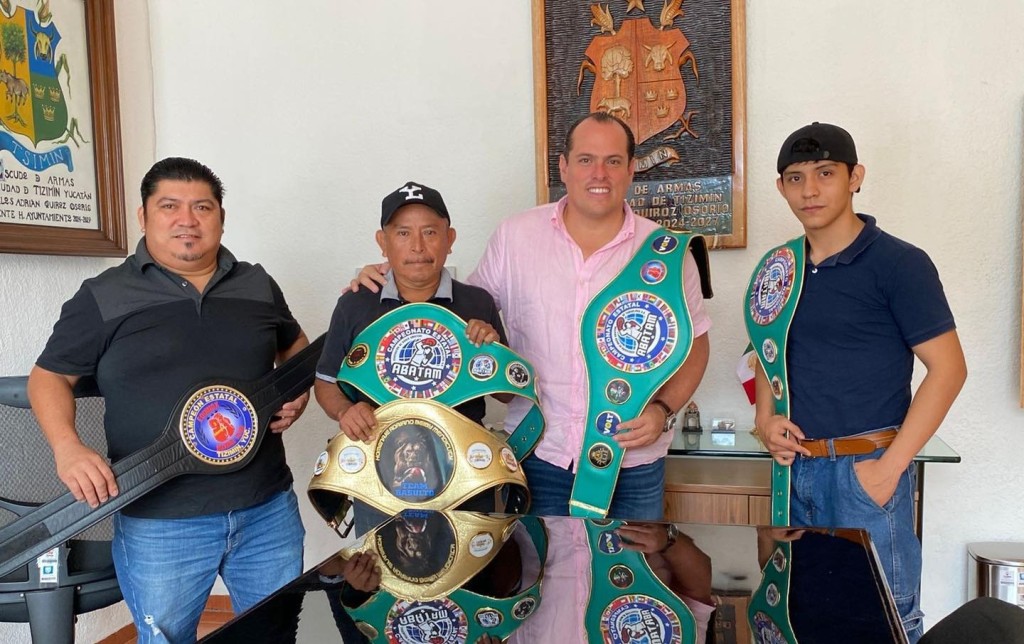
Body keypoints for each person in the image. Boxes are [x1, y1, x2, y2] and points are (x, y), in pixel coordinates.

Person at [354, 115, 711, 520]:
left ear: (632, 168)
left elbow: (696, 345)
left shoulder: (665, 252)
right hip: (535, 454)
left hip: (631, 460)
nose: (599, 174)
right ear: (563, 166)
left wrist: (663, 410)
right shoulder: (515, 236)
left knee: (628, 580)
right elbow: (451, 317)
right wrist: (395, 277)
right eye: (585, 160)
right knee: (539, 579)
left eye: (613, 161)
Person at [28, 157, 311, 643]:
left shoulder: (257, 284)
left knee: (276, 634)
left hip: (266, 507)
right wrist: (67, 447)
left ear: (221, 216)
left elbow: (296, 346)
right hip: (160, 519)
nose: (188, 219)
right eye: (170, 206)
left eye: (203, 207)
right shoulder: (104, 295)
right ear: (143, 216)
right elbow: (49, 376)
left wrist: (296, 391)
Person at [750, 122, 967, 642]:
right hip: (795, 473)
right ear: (781, 188)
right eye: (796, 177)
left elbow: (950, 369)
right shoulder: (780, 268)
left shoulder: (899, 264)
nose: (810, 190)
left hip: (866, 474)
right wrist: (764, 420)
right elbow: (765, 351)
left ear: (855, 178)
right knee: (798, 617)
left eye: (826, 173)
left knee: (881, 620)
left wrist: (888, 470)